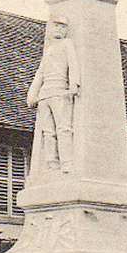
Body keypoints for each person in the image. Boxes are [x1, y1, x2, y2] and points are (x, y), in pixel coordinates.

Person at [27, 17, 80, 174]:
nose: (58, 29)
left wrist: (73, 85)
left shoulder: (67, 44)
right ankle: (52, 162)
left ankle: (67, 163)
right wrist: (32, 95)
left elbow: (73, 64)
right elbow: (40, 74)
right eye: (56, 26)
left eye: (62, 27)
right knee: (48, 132)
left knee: (63, 128)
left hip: (60, 91)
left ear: (66, 30)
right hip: (45, 95)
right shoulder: (48, 50)